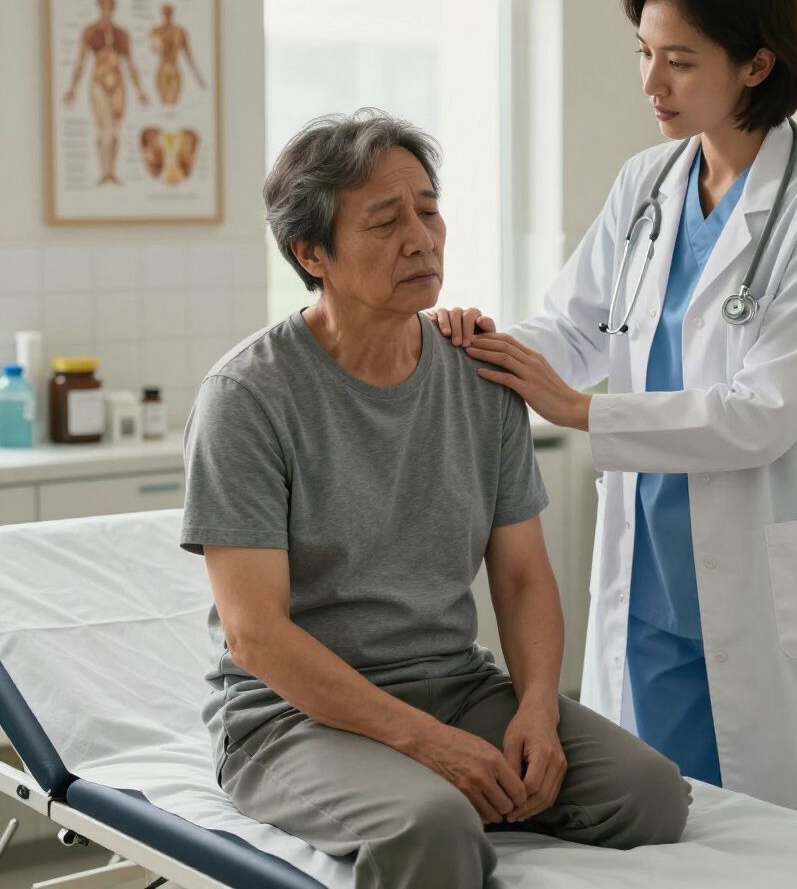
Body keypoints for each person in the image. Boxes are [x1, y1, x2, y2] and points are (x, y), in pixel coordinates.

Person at [432, 0, 797, 833]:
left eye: (679, 61)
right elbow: (572, 326)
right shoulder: (647, 183)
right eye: (645, 54)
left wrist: (578, 409)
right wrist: (477, 347)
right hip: (648, 571)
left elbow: (762, 415)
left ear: (757, 63)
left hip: (767, 576)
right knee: (663, 825)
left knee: (781, 838)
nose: (652, 84)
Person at [180, 111, 689, 889]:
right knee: (432, 825)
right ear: (310, 252)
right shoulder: (249, 396)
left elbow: (521, 577)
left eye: (428, 209)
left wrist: (538, 711)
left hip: (456, 685)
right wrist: (427, 745)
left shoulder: (479, 377)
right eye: (385, 222)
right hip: (291, 717)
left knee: (649, 796)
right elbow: (256, 637)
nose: (421, 238)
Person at [63, 0, 149, 185]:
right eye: (103, 3)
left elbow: (131, 64)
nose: (106, 7)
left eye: (110, 3)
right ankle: (103, 171)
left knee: (116, 129)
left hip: (118, 81)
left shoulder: (122, 34)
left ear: (114, 6)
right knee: (104, 128)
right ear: (99, 5)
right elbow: (80, 61)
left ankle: (112, 171)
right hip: (98, 81)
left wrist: (140, 91)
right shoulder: (90, 32)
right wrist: (72, 88)